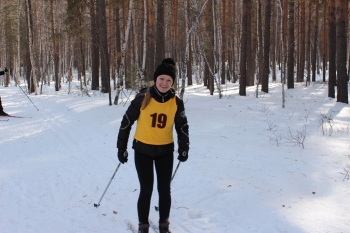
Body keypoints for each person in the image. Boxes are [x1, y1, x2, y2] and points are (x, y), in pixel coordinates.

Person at [117, 58, 189, 233]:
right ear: (156, 79)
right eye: (161, 79)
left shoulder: (176, 102)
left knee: (164, 189)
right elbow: (126, 122)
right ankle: (143, 225)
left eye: (169, 80)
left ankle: (164, 224)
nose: (164, 83)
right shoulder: (143, 97)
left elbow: (182, 126)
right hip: (143, 150)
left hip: (165, 150)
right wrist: (121, 147)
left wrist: (183, 146)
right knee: (146, 188)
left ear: (173, 82)